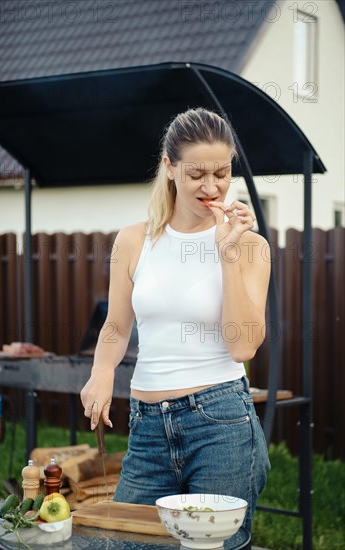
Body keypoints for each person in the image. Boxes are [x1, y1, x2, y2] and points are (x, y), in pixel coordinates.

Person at [80, 107, 271, 548]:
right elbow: (115, 325)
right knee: (127, 541)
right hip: (147, 427)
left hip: (221, 422)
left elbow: (243, 346)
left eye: (221, 173)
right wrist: (102, 371)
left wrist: (227, 253)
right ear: (169, 168)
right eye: (196, 174)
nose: (211, 187)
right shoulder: (133, 240)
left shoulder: (251, 246)